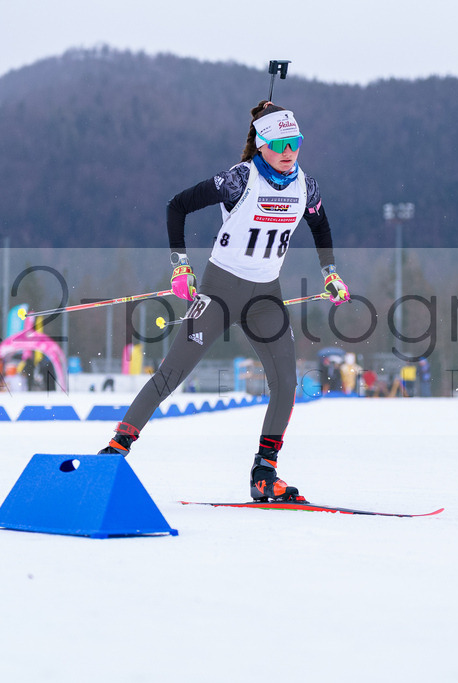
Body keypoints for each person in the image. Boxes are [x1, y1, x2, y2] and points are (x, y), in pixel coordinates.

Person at [97, 101, 350, 502]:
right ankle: (113, 453)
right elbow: (176, 206)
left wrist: (330, 272)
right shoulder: (238, 180)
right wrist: (181, 265)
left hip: (265, 297)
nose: (289, 152)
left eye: (296, 143)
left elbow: (320, 224)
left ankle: (264, 473)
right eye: (281, 143)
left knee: (286, 383)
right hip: (219, 292)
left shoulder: (306, 186)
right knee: (171, 374)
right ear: (262, 144)